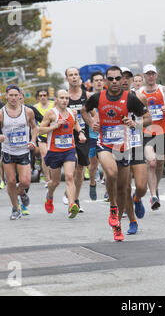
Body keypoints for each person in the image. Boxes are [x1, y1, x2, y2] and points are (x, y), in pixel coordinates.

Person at [82, 66, 151, 241]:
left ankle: (117, 225)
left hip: (125, 147)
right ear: (106, 81)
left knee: (123, 189)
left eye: (117, 78)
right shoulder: (97, 97)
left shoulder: (130, 98)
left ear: (122, 80)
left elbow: (148, 117)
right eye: (110, 79)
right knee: (111, 173)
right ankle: (113, 206)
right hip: (104, 144)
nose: (114, 82)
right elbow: (83, 110)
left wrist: (136, 123)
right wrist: (91, 123)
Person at [0, 85, 37, 220]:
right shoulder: (0, 114)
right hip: (8, 152)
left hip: (23, 151)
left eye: (16, 95)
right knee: (11, 181)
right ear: (6, 96)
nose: (14, 98)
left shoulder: (28, 112)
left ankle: (22, 193)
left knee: (25, 182)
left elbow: (34, 127)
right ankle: (15, 208)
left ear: (20, 96)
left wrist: (33, 140)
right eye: (11, 95)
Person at [39, 89, 86, 218]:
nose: (64, 100)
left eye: (66, 98)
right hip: (54, 151)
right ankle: (49, 196)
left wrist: (81, 132)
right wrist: (54, 126)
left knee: (70, 177)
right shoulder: (51, 114)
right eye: (62, 98)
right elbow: (39, 130)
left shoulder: (73, 112)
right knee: (55, 182)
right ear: (56, 100)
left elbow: (75, 124)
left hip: (69, 150)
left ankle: (72, 205)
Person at [139, 64, 165, 210]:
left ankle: (155, 188)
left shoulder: (164, 90)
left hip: (162, 131)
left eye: (153, 74)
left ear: (157, 75)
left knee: (159, 164)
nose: (150, 76)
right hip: (146, 132)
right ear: (144, 76)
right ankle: (153, 196)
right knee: (151, 163)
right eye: (148, 74)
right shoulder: (139, 93)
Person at [121, 67, 149, 234]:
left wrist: (136, 124)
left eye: (127, 77)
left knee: (141, 186)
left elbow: (148, 119)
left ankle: (137, 198)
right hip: (118, 147)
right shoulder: (108, 100)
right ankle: (132, 221)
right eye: (121, 77)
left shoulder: (139, 97)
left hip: (136, 143)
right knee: (124, 186)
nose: (124, 80)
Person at [64, 67, 92, 211]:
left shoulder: (87, 95)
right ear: (67, 78)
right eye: (71, 75)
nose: (74, 77)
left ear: (79, 77)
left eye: (76, 75)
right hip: (68, 136)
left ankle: (75, 198)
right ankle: (71, 199)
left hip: (83, 136)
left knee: (80, 169)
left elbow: (94, 113)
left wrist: (96, 123)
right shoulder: (64, 97)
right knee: (72, 167)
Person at [88, 71, 104, 201]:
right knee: (93, 165)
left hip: (107, 135)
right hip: (92, 135)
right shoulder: (89, 98)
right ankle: (92, 182)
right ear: (92, 83)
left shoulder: (109, 96)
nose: (99, 82)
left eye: (101, 80)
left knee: (108, 164)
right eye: (96, 80)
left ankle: (109, 190)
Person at [34, 89, 55, 187]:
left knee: (53, 156)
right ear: (38, 97)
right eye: (40, 95)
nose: (42, 97)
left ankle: (54, 176)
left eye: (44, 95)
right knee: (44, 155)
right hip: (42, 135)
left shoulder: (53, 104)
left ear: (47, 96)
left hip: (53, 133)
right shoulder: (35, 107)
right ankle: (47, 179)